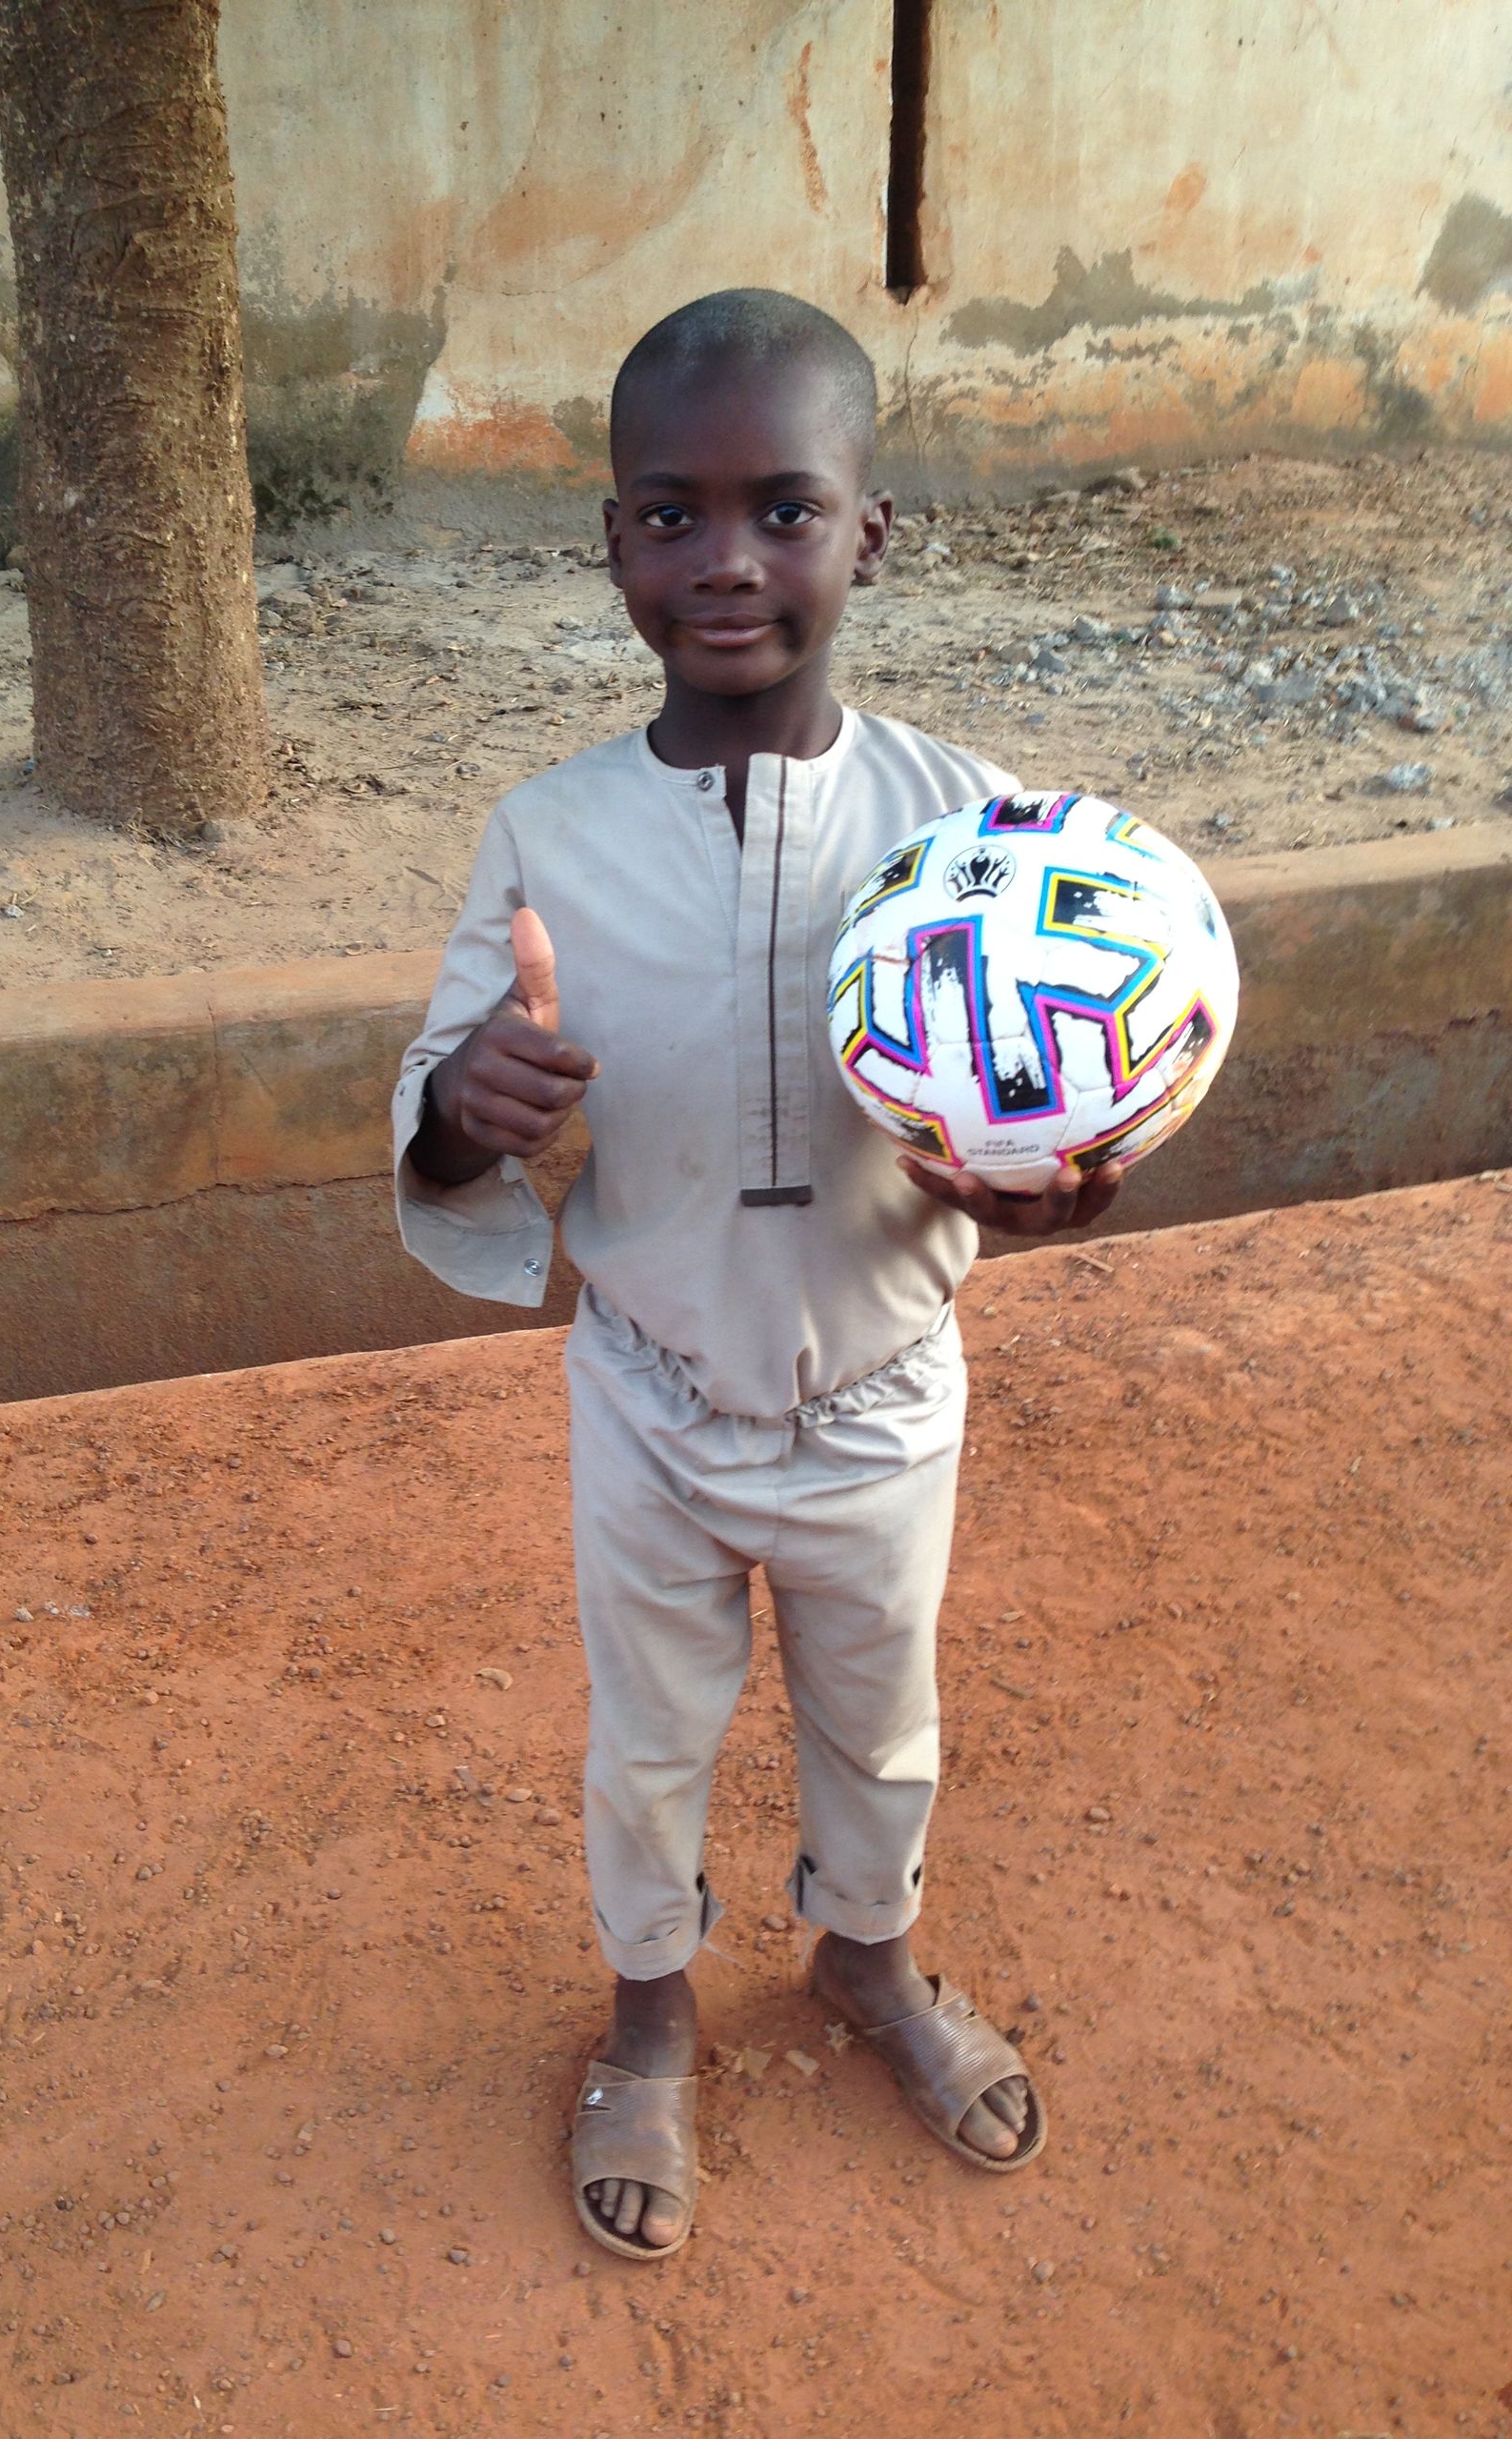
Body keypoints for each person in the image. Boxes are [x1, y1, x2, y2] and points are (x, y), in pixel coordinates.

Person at [392, 290, 1121, 2261]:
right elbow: (441, 1124)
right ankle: (651, 2012)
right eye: (671, 513)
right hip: (650, 1394)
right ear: (612, 541)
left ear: (868, 531)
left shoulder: (975, 831)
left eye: (784, 509)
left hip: (885, 1392)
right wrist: (467, 1101)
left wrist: (1053, 1187)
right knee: (648, 1739)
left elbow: (1059, 1107)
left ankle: (865, 1959)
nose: (726, 560)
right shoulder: (548, 834)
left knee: (883, 1722)